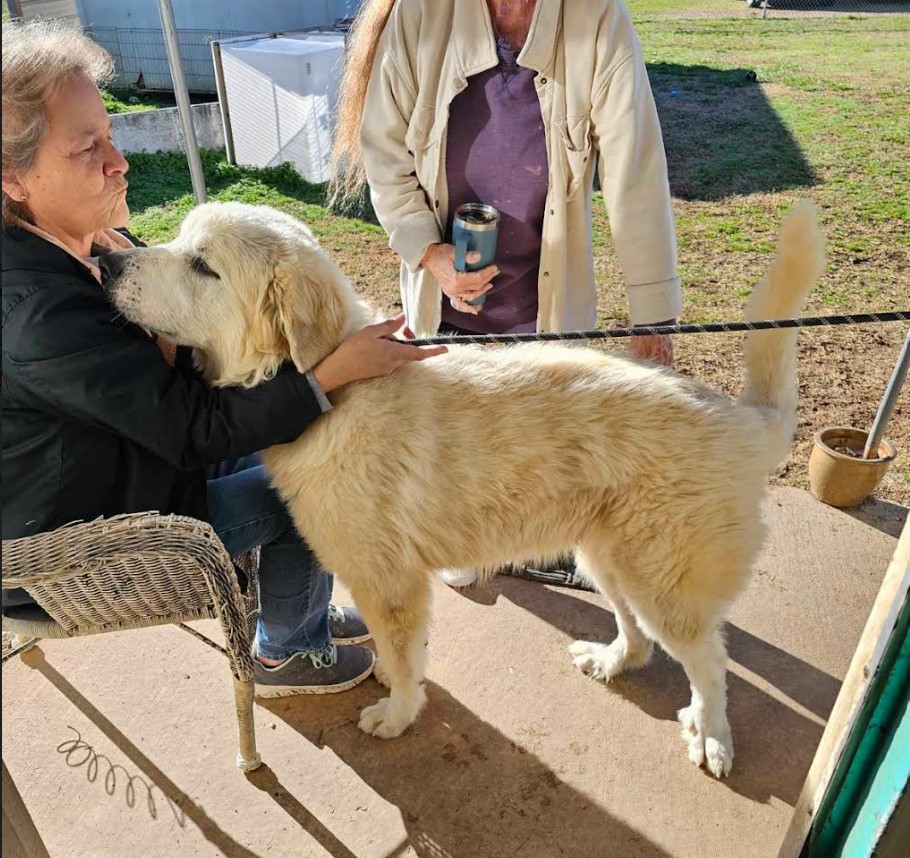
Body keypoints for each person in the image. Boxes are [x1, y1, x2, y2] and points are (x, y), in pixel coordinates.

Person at [1, 21, 447, 695]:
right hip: (81, 549)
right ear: (12, 179)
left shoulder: (76, 244)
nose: (117, 162)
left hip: (122, 467)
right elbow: (194, 430)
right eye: (86, 148)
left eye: (112, 134)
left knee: (313, 437)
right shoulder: (40, 311)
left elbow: (171, 368)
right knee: (319, 486)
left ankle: (293, 601)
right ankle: (287, 649)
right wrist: (330, 372)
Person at [332, 0, 682, 586]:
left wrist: (654, 315)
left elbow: (635, 169)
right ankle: (463, 536)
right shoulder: (420, 15)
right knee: (449, 418)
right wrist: (429, 251)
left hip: (544, 283)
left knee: (536, 420)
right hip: (444, 281)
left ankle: (526, 534)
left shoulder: (599, 19)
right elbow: (383, 151)